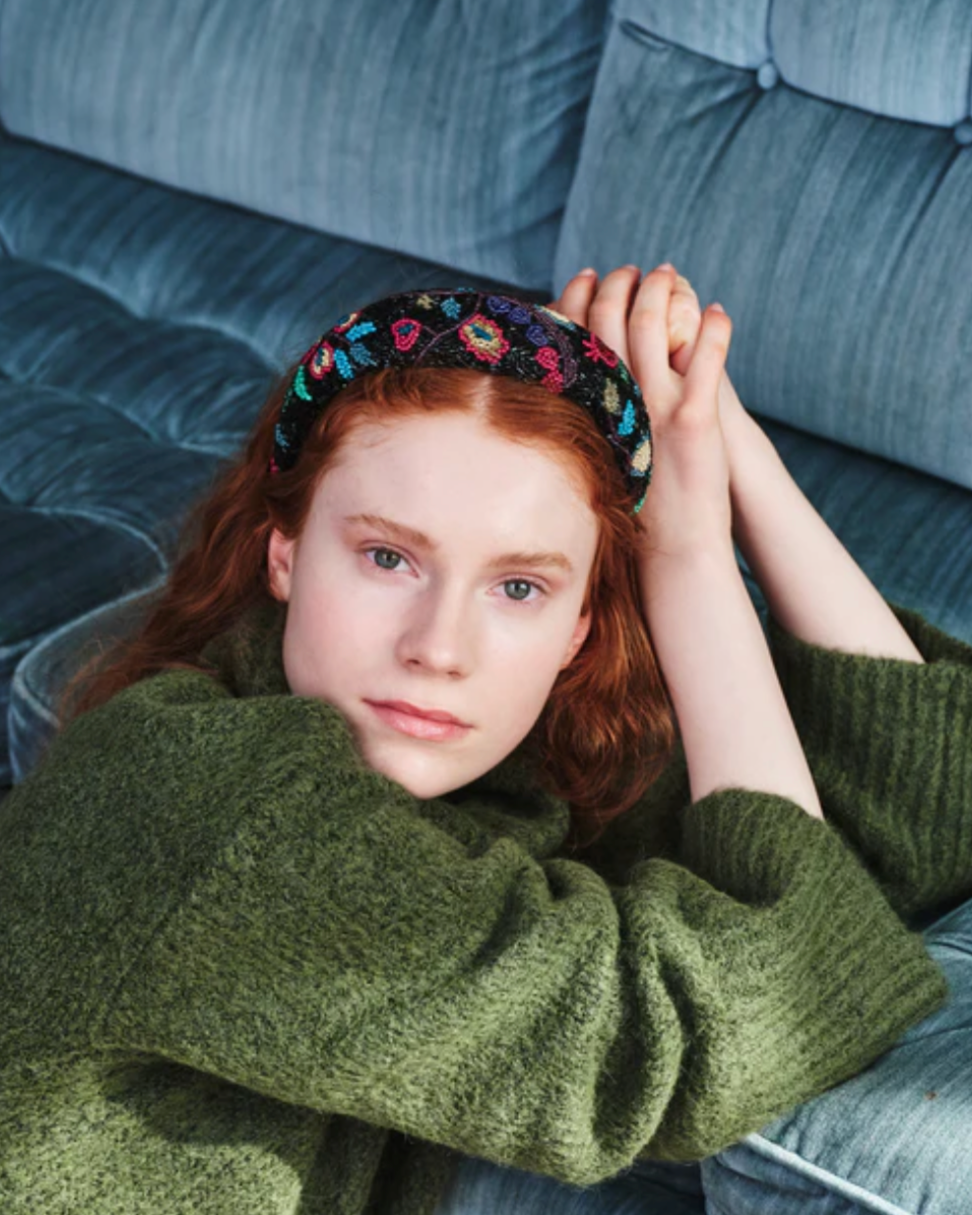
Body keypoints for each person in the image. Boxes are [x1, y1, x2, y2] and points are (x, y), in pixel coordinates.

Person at [0, 265, 967, 1215]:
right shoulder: (217, 807)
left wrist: (719, 441)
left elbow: (920, 825)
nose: (440, 648)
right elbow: (735, 1011)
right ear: (283, 554)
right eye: (388, 557)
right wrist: (688, 554)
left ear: (579, 626)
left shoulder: (502, 773)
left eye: (519, 587)